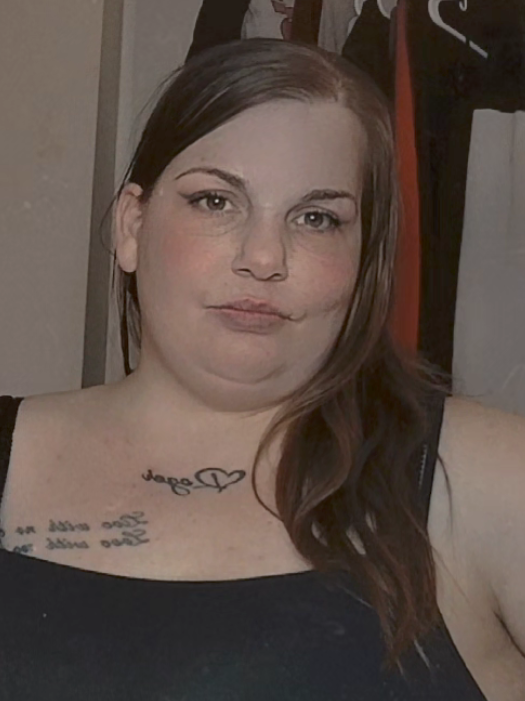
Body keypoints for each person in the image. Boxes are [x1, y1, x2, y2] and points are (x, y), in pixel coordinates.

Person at [0, 38, 523, 701]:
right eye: (215, 201)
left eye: (316, 218)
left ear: (364, 260)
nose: (265, 256)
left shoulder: (481, 477)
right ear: (132, 226)